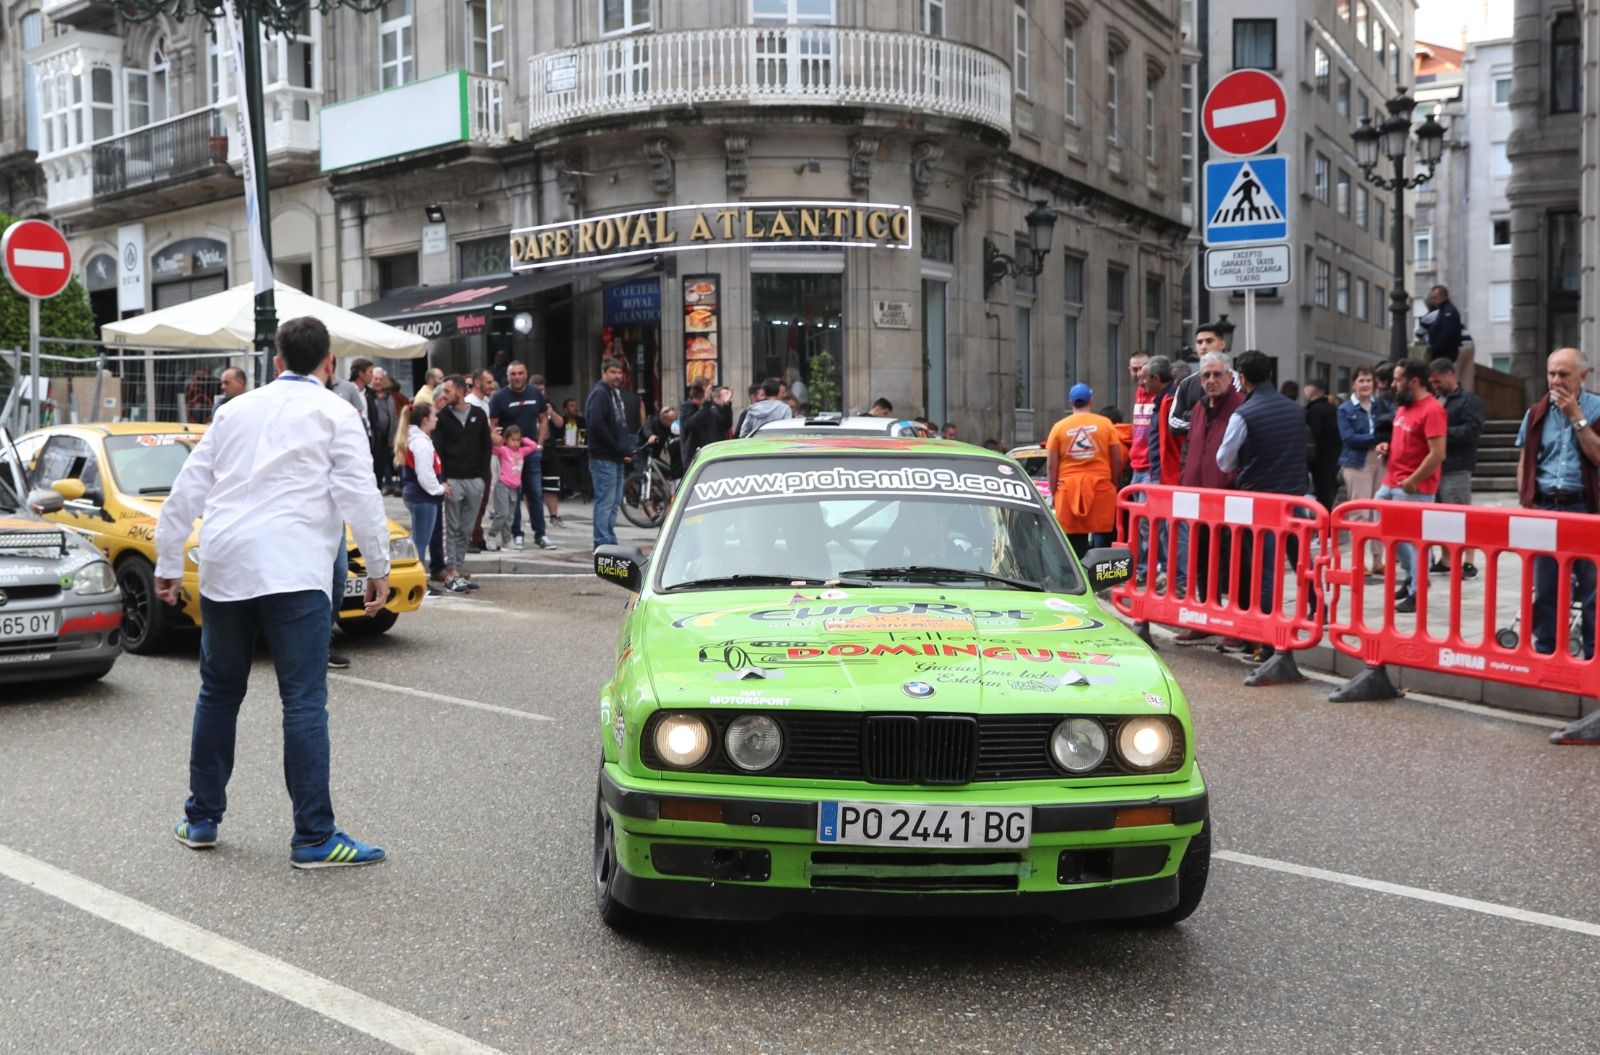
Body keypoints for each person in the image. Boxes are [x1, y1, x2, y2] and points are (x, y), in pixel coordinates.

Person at [154, 316, 390, 869]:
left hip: (227, 564)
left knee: (218, 693)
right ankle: (313, 837)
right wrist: (375, 565)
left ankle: (200, 818)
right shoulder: (337, 411)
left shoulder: (233, 410)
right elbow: (360, 492)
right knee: (304, 701)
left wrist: (169, 560)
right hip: (294, 568)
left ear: (277, 361)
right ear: (329, 364)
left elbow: (189, 488)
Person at [1216, 351, 1313, 663]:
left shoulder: (1244, 414)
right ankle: (1317, 613)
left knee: (1266, 569)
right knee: (1302, 562)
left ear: (1243, 378)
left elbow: (1224, 459)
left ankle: (1270, 644)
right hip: (1295, 497)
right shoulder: (1296, 410)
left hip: (1260, 502)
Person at [1515, 348, 1600, 687]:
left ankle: (1593, 656)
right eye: (1551, 374)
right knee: (1547, 586)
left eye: (1564, 374)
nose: (1556, 381)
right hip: (1547, 508)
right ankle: (1547, 655)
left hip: (1586, 508)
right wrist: (1527, 502)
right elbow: (1525, 462)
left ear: (1583, 376)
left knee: (1592, 588)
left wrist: (1576, 417)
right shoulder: (1535, 413)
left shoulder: (1595, 409)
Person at [1172, 351, 1245, 642]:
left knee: (1231, 561)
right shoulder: (1200, 407)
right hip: (1198, 497)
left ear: (1230, 376)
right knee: (1201, 559)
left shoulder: (1240, 407)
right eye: (1206, 375)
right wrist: (1183, 479)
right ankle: (1204, 618)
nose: (1212, 380)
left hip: (1228, 498)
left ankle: (1233, 624)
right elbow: (1189, 447)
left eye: (1217, 374)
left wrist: (1234, 482)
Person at [1374, 359, 1448, 614]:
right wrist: (1387, 448)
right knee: (1383, 528)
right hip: (1392, 480)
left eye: (1397, 379)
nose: (1393, 385)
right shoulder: (1404, 407)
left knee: (1415, 540)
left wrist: (1414, 480)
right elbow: (1406, 441)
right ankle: (1413, 577)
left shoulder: (1432, 409)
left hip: (1414, 488)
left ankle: (1418, 591)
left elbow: (1437, 453)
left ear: (1414, 381)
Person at [1045, 383, 1124, 558]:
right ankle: (1103, 578)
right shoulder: (1105, 424)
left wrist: (1053, 491)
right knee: (1104, 536)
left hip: (1068, 491)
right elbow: (1117, 459)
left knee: (1073, 541)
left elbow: (1051, 465)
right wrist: (1114, 481)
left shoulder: (1059, 428)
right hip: (1101, 488)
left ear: (1070, 402)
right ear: (1090, 400)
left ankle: (1078, 577)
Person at [487, 361, 557, 551]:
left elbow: (543, 419)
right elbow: (493, 424)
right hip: (508, 455)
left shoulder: (535, 394)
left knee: (535, 492)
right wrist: (499, 443)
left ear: (526, 374)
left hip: (530, 451)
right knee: (513, 496)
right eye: (513, 374)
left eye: (520, 373)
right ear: (507, 376)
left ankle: (541, 534)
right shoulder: (499, 397)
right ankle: (516, 534)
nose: (517, 377)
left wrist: (540, 444)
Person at [432, 375, 491, 594]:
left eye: (447, 391)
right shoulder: (443, 417)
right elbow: (437, 449)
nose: (444, 395)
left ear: (459, 391)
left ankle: (459, 565)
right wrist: (444, 479)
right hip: (453, 479)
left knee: (466, 528)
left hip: (475, 479)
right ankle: (452, 570)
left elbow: (486, 445)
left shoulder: (478, 414)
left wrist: (483, 478)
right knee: (452, 527)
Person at [1428, 358, 1485, 578]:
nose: (1435, 385)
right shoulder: (1434, 399)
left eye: (1438, 380)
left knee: (1460, 516)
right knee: (1441, 518)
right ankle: (1446, 559)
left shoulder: (1469, 401)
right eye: (1431, 382)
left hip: (1456, 466)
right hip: (1435, 467)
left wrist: (1440, 435)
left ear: (1451, 375)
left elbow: (1472, 430)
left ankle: (1466, 561)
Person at [1337, 367, 1387, 577]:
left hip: (1380, 459)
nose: (1365, 384)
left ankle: (1378, 560)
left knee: (1380, 511)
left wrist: (1383, 440)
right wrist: (1377, 438)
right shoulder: (1345, 409)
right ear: (1353, 384)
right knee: (1360, 514)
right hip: (1357, 462)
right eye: (1361, 380)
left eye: (1369, 380)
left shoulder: (1381, 405)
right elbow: (1348, 437)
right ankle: (1359, 561)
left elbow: (1389, 429)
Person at [396, 400, 445, 598]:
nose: (436, 418)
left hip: (418, 496)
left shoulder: (415, 439)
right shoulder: (421, 443)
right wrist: (439, 488)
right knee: (420, 542)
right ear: (425, 420)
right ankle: (419, 583)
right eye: (434, 415)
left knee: (420, 540)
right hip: (423, 497)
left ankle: (418, 581)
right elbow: (425, 474)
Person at [587, 358, 632, 549]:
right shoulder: (600, 393)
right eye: (613, 372)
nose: (617, 376)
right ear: (603, 372)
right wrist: (615, 446)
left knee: (614, 501)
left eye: (619, 372)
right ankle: (602, 540)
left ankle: (609, 537)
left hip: (615, 456)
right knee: (605, 500)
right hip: (604, 456)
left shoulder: (614, 394)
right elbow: (597, 424)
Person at [488, 424, 537, 552]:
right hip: (503, 486)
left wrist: (524, 439)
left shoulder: (521, 451)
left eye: (518, 440)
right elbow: (492, 448)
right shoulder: (503, 450)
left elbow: (533, 446)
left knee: (510, 516)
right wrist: (497, 438)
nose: (516, 443)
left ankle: (507, 540)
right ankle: (492, 535)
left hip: (514, 488)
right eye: (512, 440)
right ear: (506, 439)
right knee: (502, 514)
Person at [1418, 284, 1469, 388]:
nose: (1433, 301)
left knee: (1445, 378)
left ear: (1443, 296)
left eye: (1435, 298)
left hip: (1446, 353)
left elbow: (1447, 335)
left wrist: (1436, 348)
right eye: (1432, 298)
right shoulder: (1443, 311)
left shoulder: (1448, 312)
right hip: (1442, 353)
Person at [1303, 382, 1343, 510]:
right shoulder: (1332, 407)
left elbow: (1313, 436)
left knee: (1323, 492)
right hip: (1335, 455)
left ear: (1312, 392)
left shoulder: (1314, 410)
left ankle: (1325, 522)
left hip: (1321, 459)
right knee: (1331, 490)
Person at [680, 383, 733, 466]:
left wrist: (726, 406)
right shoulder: (687, 407)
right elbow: (691, 423)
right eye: (708, 390)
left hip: (713, 454)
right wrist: (706, 403)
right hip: (695, 456)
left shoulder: (710, 408)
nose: (710, 393)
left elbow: (725, 425)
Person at [366, 367, 397, 494]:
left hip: (385, 439)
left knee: (381, 468)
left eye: (380, 379)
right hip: (372, 438)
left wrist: (392, 437)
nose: (378, 382)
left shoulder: (388, 397)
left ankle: (379, 490)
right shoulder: (367, 395)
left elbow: (393, 417)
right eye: (375, 379)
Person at [331, 359, 372, 436]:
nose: (372, 375)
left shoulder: (370, 392)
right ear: (361, 373)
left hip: (368, 433)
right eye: (370, 372)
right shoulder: (348, 389)